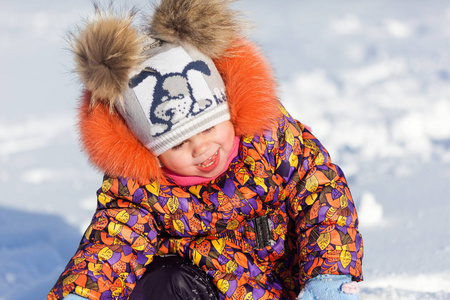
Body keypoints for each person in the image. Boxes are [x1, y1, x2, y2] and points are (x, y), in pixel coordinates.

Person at [48, 0, 363, 299]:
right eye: (179, 143)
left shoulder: (271, 142)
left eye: (210, 127)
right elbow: (116, 242)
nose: (202, 148)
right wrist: (83, 293)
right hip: (205, 290)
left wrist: (328, 276)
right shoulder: (142, 189)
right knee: (165, 282)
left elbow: (323, 197)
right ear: (151, 151)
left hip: (291, 288)